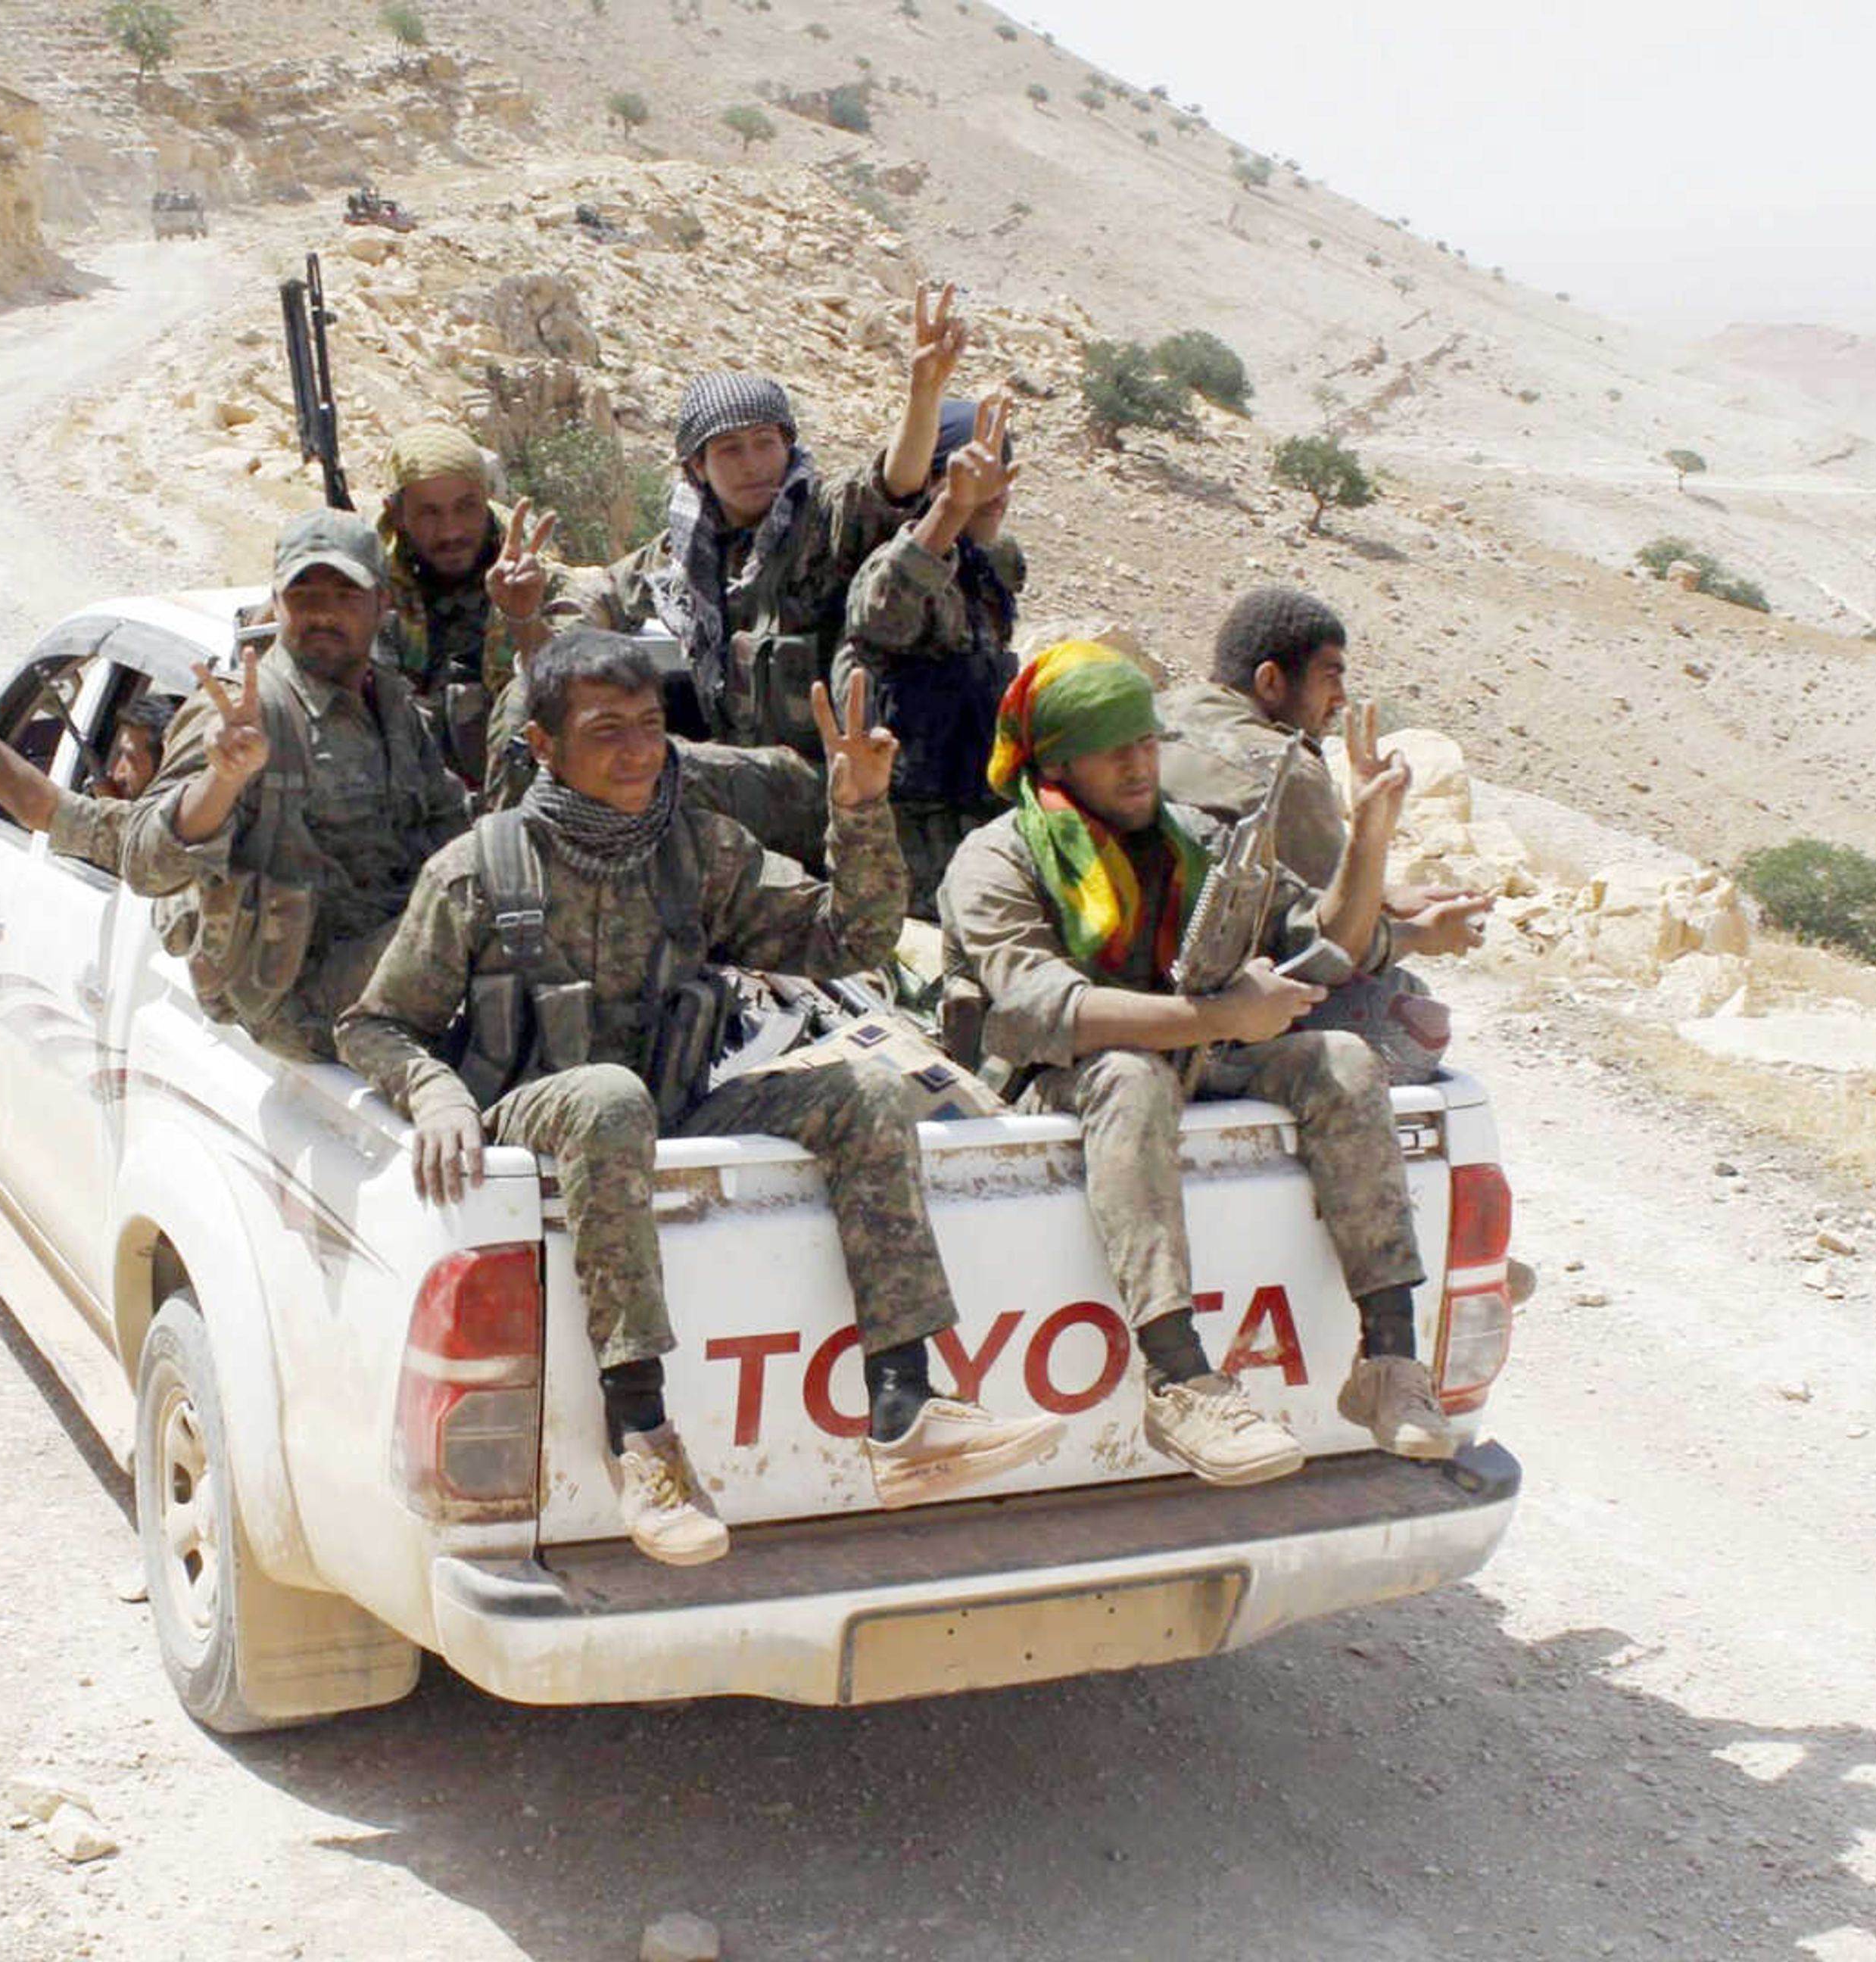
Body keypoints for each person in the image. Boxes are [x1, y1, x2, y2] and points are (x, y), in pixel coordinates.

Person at [338, 631, 1063, 1565]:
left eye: (649, 726)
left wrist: (859, 808)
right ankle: (641, 1434)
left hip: (667, 1106)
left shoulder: (694, 849)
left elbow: (849, 940)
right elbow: (374, 1023)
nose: (640, 751)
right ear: (546, 747)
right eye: (608, 731)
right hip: (533, 1112)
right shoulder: (480, 868)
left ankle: (905, 1407)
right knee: (606, 1096)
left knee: (870, 1094)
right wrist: (434, 1092)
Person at [935, 640, 1456, 1487]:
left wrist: (1369, 835)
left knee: (1345, 1061)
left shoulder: (1193, 838)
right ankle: (1178, 1379)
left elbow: (1329, 943)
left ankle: (1388, 1361)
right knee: (1133, 1071)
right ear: (1059, 760)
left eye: (1146, 741)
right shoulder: (1001, 858)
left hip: (1196, 1055)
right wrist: (1218, 1017)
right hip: (1054, 1081)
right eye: (1115, 749)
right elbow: (1049, 1010)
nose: (1141, 765)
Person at [539, 284, 977, 858]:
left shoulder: (822, 521)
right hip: (747, 769)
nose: (752, 466)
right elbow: (596, 596)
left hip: (829, 778)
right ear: (698, 467)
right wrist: (543, 643)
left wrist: (924, 392)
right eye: (730, 451)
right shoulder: (679, 555)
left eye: (764, 444)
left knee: (659, 765)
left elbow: (894, 484)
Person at [122, 509, 470, 1061]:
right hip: (301, 998)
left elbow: (453, 834)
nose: (323, 614)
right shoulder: (249, 709)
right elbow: (145, 864)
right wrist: (223, 777)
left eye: (345, 595)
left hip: (389, 967)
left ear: (384, 605)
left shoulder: (395, 707)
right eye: (303, 596)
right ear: (277, 603)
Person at [1158, 587, 1492, 1081]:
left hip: (1127, 985)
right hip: (1206, 1016)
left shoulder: (1158, 714)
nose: (1340, 700)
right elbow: (1333, 947)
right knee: (1408, 1008)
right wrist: (1422, 933)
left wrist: (1388, 897)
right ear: (1270, 680)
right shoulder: (1282, 771)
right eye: (1329, 677)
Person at [836, 394, 1026, 916]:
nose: (995, 494)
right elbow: (883, 612)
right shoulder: (899, 568)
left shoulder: (986, 573)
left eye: (1002, 475)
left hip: (972, 826)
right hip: (904, 852)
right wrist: (953, 507)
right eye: (972, 476)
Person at [0, 605, 168, 874]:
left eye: (129, 758)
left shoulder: (152, 840)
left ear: (169, 765)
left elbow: (32, 803)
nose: (115, 770)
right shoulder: (186, 827)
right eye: (117, 755)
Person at [368, 422, 563, 801]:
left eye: (466, 507)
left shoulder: (537, 576)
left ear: (487, 498)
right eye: (428, 513)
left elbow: (570, 693)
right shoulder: (368, 585)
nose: (450, 531)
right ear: (396, 514)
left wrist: (523, 617)